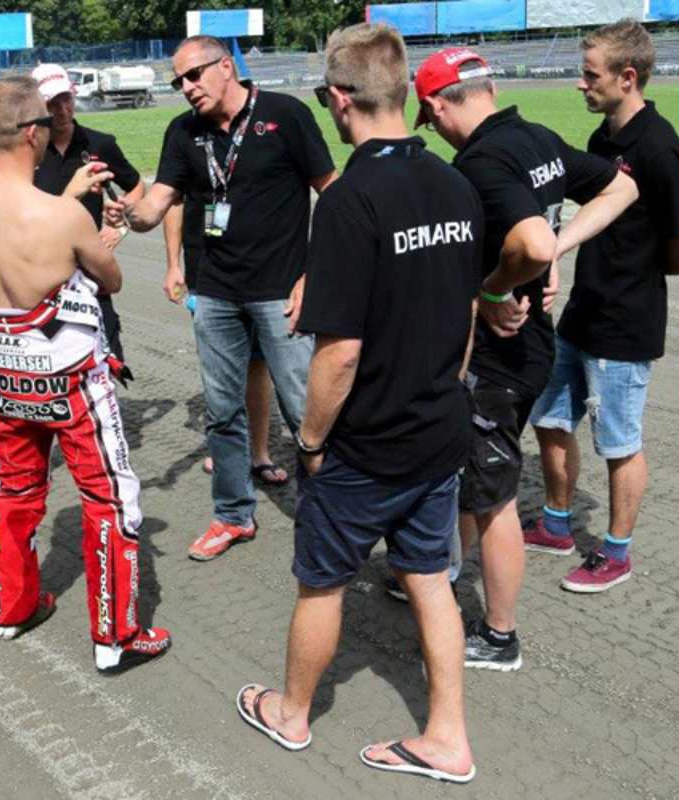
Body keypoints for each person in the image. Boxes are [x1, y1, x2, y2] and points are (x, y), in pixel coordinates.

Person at [234, 24, 481, 783]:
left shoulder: (349, 201)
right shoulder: (455, 182)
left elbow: (339, 352)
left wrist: (309, 441)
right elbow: (467, 311)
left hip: (367, 443)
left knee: (322, 581)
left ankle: (292, 711)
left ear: (341, 100)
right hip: (440, 428)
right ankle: (447, 737)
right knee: (430, 578)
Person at [416, 48, 637, 670]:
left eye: (429, 121)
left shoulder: (483, 161)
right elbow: (622, 186)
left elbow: (532, 238)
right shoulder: (534, 137)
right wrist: (555, 251)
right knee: (467, 473)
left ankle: (498, 634)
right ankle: (445, 569)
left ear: (436, 105)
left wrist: (496, 284)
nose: (433, 132)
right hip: (535, 340)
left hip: (504, 350)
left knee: (493, 496)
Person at [0, 76, 170, 672]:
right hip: (72, 381)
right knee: (110, 497)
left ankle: (12, 608)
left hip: (6, 380)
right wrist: (102, 234)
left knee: (16, 490)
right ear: (31, 134)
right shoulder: (61, 215)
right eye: (45, 125)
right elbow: (110, 281)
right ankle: (115, 636)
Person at [105, 35, 336, 561]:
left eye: (194, 75)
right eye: (178, 81)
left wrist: (313, 275)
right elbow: (158, 203)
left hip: (282, 292)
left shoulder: (285, 114)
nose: (186, 88)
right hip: (215, 295)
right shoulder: (183, 132)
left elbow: (333, 191)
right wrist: (130, 214)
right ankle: (233, 515)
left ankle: (327, 515)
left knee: (306, 409)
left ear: (226, 66)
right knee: (222, 412)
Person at [524, 19, 679, 592]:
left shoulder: (661, 149)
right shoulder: (605, 139)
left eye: (590, 75)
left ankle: (617, 552)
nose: (581, 84)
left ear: (628, 78)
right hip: (582, 312)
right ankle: (556, 524)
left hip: (627, 324)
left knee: (619, 442)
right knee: (550, 419)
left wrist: (636, 274)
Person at [163, 199, 289, 486]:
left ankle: (259, 454)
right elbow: (174, 200)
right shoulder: (194, 153)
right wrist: (173, 263)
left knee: (258, 364)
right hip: (207, 273)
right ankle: (226, 453)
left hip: (261, 269)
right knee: (220, 366)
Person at [29, 63, 144, 377]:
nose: (62, 109)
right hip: (41, 274)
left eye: (66, 98)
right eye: (52, 103)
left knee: (107, 362)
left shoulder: (99, 144)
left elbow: (135, 186)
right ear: (39, 106)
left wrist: (118, 223)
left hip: (91, 274)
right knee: (51, 365)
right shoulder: (27, 151)